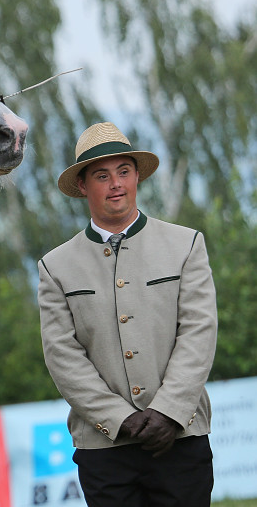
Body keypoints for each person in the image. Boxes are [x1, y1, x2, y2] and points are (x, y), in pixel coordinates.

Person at [37, 122, 217, 506]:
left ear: (137, 176)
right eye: (102, 175)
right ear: (83, 186)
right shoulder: (55, 266)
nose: (116, 183)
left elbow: (199, 333)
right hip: (103, 449)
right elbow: (62, 356)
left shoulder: (186, 244)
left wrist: (168, 412)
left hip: (182, 438)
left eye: (124, 171)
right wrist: (120, 418)